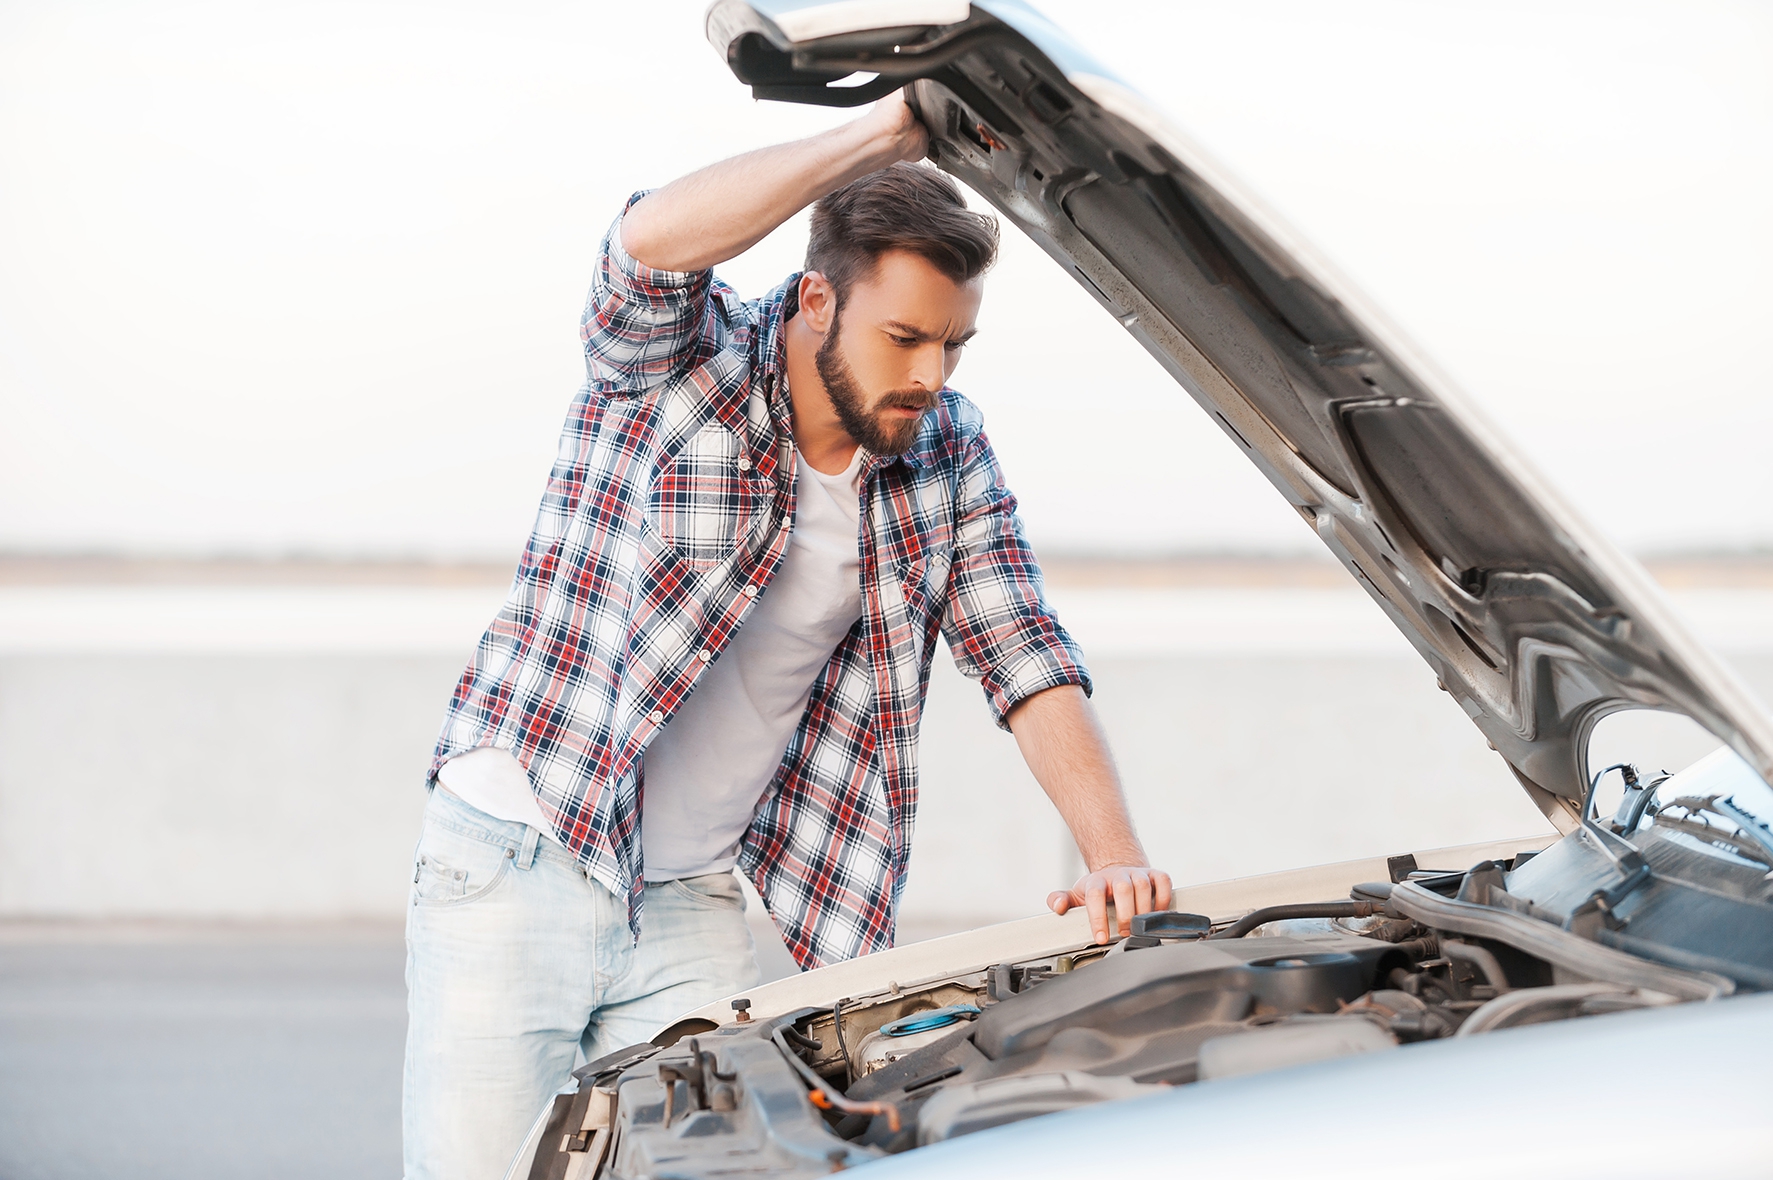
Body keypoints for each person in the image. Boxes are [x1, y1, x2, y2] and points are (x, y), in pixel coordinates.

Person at [402, 92, 1173, 1180]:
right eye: (903, 337)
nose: (931, 374)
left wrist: (1114, 855)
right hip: (523, 849)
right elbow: (641, 247)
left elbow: (1023, 649)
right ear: (817, 298)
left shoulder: (946, 451)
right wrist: (887, 132)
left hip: (694, 902)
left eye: (954, 342)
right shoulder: (682, 362)